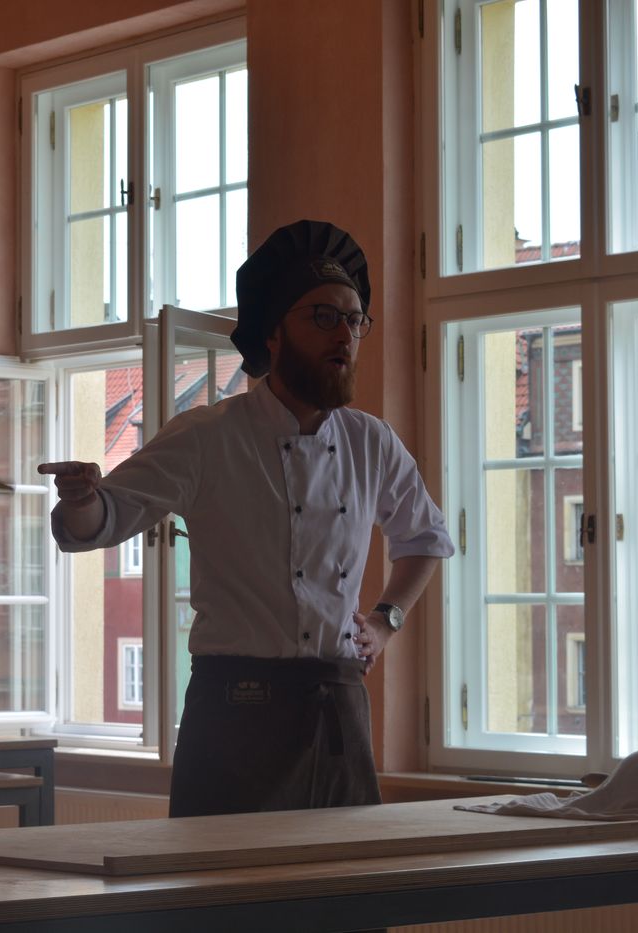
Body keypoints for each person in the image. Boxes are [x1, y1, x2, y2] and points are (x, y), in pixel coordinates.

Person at [39, 220, 454, 818]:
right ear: (274, 333)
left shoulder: (372, 442)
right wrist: (82, 499)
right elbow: (100, 521)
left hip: (338, 706)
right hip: (234, 712)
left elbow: (425, 538)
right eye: (324, 317)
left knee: (346, 876)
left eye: (354, 319)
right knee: (219, 876)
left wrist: (387, 619)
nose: (345, 335)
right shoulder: (208, 436)